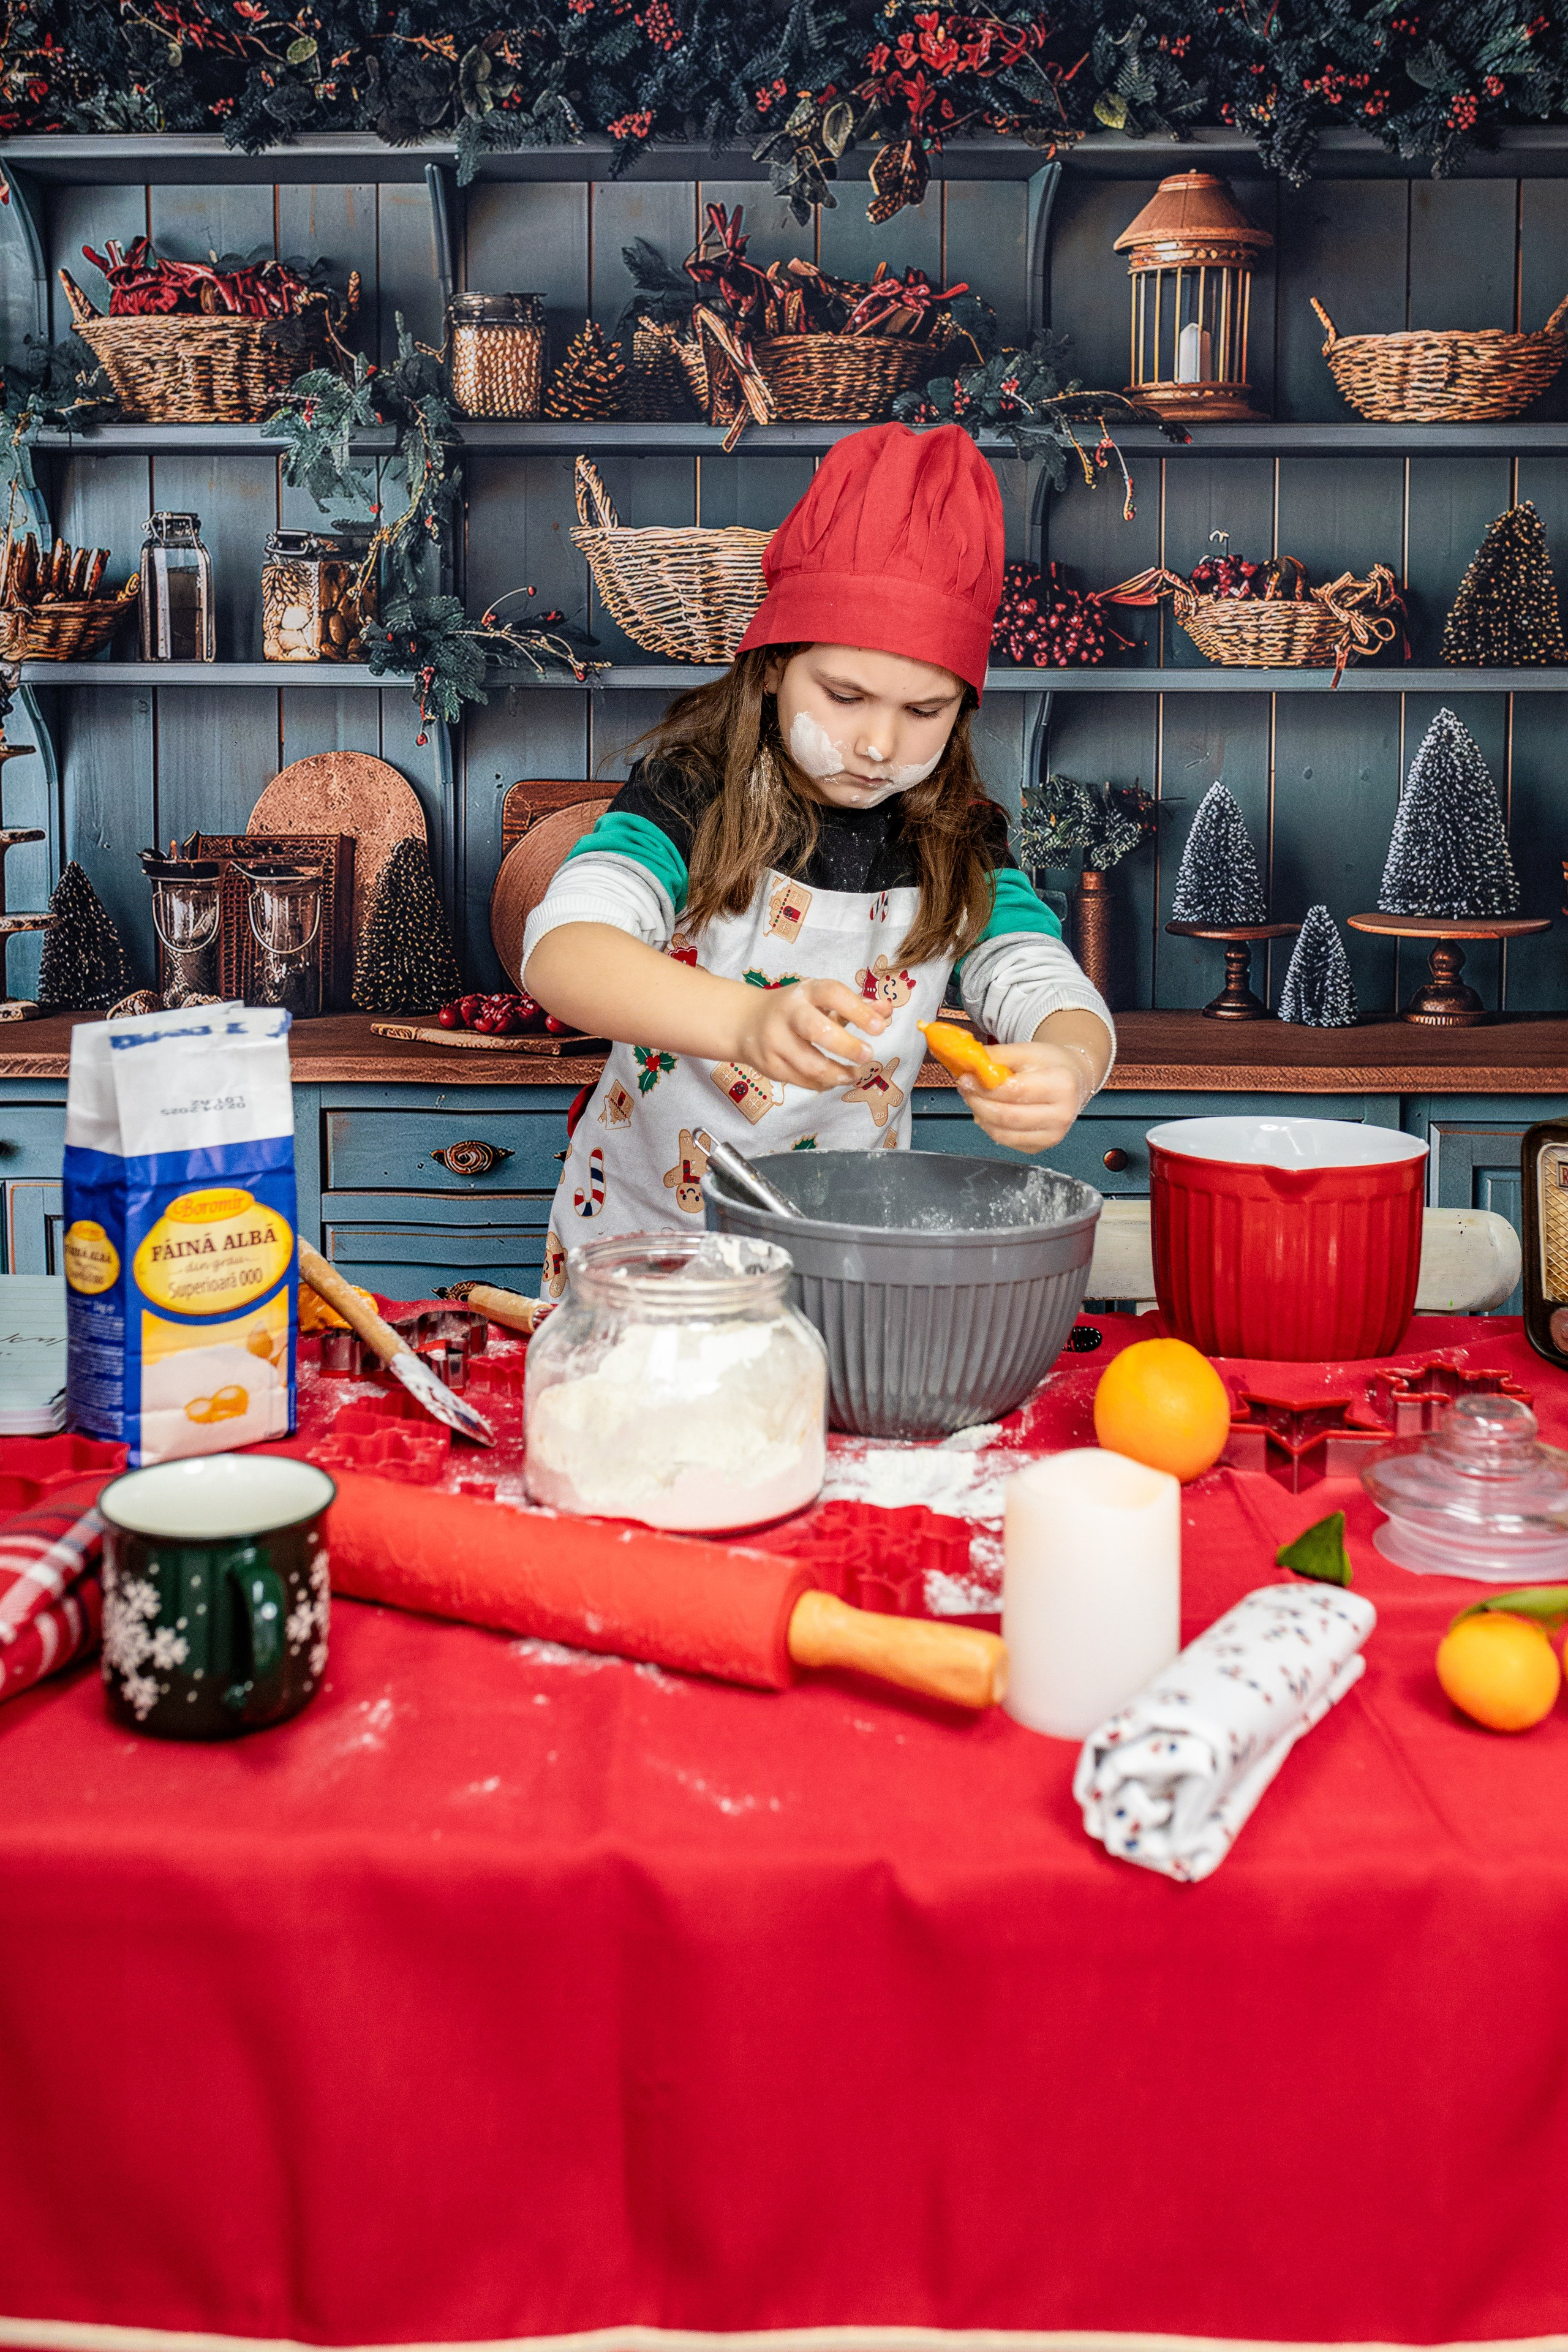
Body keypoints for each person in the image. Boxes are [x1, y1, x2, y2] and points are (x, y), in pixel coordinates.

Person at [523, 420, 1115, 1297]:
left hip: (842, 1268)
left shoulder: (956, 835)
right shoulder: (691, 791)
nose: (878, 744)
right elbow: (563, 951)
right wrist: (747, 1024)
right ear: (772, 669)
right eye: (844, 696)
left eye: (926, 710)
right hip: (641, 1256)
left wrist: (1066, 1065)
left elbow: (1045, 985)